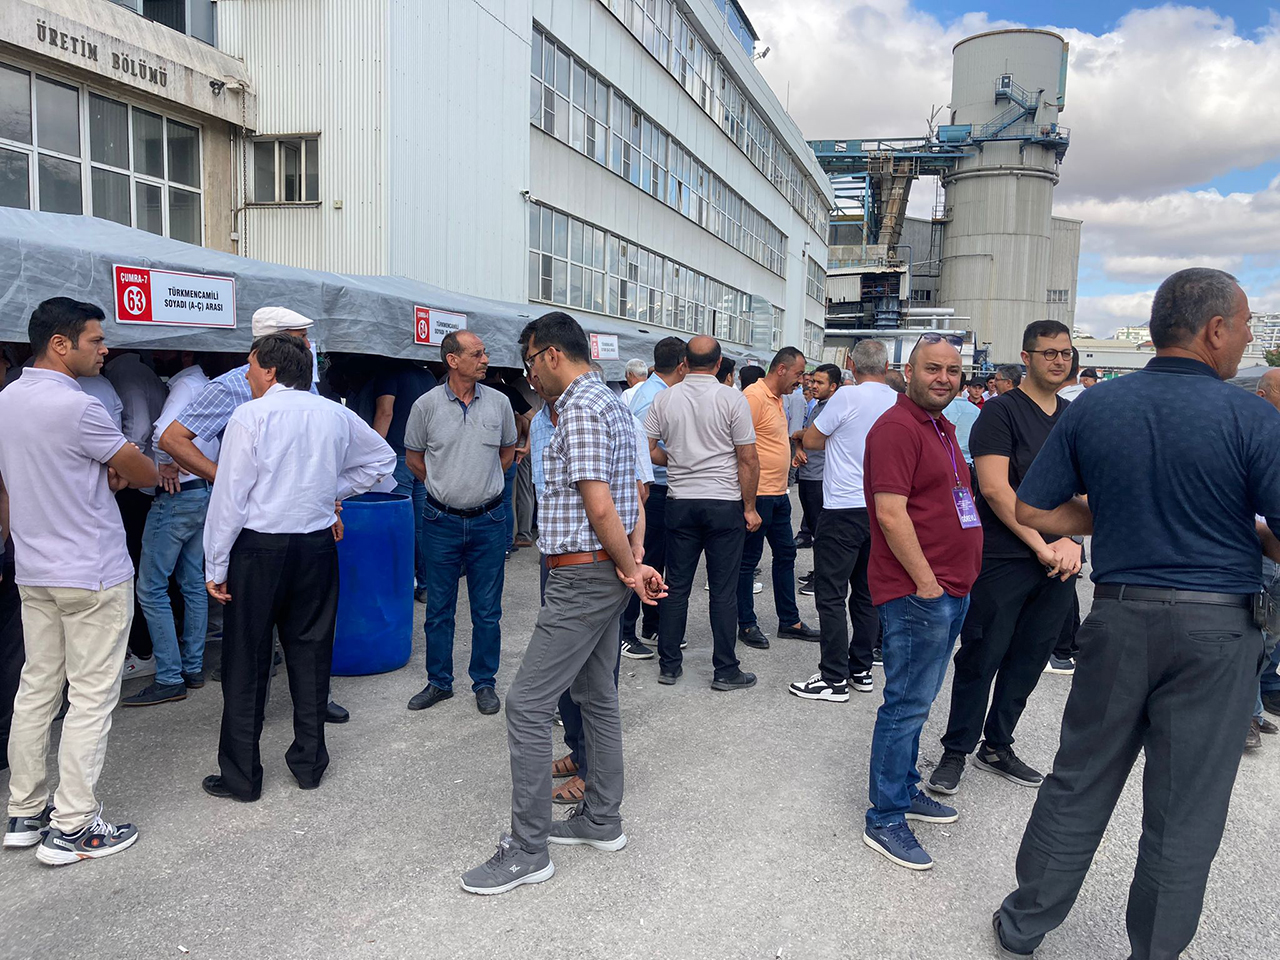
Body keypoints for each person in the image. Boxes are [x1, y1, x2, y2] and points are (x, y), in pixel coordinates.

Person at [993, 268, 1280, 960]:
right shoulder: (1252, 417)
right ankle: (1154, 949)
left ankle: (1025, 923)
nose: (1248, 339)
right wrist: (1249, 534)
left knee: (1080, 778)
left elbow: (1033, 509)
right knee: (1186, 807)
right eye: (1245, 325)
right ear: (1215, 329)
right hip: (1219, 629)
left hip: (1120, 617)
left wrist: (1116, 515)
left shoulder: (1095, 406)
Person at [461, 312, 665, 895]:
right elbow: (636, 496)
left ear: (551, 354)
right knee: (596, 695)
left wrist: (630, 567)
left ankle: (528, 849)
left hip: (583, 575)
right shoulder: (616, 405)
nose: (529, 376)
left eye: (529, 363)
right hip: (601, 569)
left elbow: (600, 505)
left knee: (526, 705)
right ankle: (601, 818)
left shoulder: (579, 408)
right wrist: (634, 560)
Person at [201, 334, 394, 803]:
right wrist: (331, 491)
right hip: (315, 546)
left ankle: (242, 777)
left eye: (250, 366)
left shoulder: (250, 415)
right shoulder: (333, 413)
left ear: (269, 370)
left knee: (246, 660)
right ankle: (309, 764)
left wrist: (216, 563)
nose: (247, 374)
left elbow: (230, 498)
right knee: (311, 653)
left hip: (258, 548)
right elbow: (382, 460)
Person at [0, 298, 159, 864]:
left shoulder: (7, 400)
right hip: (91, 571)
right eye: (95, 340)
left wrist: (103, 469)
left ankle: (25, 811)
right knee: (90, 697)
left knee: (36, 689)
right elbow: (144, 469)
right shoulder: (78, 406)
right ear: (60, 344)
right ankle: (73, 826)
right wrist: (115, 468)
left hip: (35, 568)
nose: (104, 349)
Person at [157, 307, 350, 724]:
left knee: (309, 629)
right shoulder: (232, 386)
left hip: (308, 524)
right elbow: (172, 438)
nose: (309, 346)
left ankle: (315, 704)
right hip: (253, 528)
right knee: (253, 632)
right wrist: (225, 477)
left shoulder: (308, 385)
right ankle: (250, 718)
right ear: (272, 345)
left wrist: (329, 503)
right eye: (301, 337)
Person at [927, 321, 1080, 796]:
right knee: (983, 654)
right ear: (1027, 357)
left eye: (1065, 353)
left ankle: (997, 745)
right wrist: (1041, 544)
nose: (1059, 360)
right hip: (1005, 556)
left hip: (1060, 562)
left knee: (1030, 658)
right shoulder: (1000, 412)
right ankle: (956, 750)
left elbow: (1085, 487)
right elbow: (995, 489)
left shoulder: (1073, 416)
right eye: (1049, 352)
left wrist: (1071, 541)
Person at [861, 333, 982, 871]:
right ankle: (885, 816)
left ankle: (905, 788)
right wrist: (927, 583)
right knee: (906, 703)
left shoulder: (940, 425)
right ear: (907, 372)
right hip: (919, 593)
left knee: (920, 698)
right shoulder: (897, 428)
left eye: (952, 370)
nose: (944, 378)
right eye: (933, 368)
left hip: (951, 587)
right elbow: (891, 514)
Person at [404, 331, 517, 715]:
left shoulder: (499, 403)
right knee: (439, 608)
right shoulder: (426, 406)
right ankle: (439, 681)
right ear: (453, 360)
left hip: (489, 521)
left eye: (484, 353)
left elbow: (507, 453)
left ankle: (484, 682)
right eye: (477, 354)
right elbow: (414, 459)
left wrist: (479, 485)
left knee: (487, 610)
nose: (485, 360)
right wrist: (444, 486)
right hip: (440, 521)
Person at [645, 335, 761, 689]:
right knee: (723, 590)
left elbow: (647, 448)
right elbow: (748, 458)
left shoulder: (665, 398)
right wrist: (750, 507)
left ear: (685, 361)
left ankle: (669, 665)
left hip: (680, 501)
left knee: (677, 585)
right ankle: (725, 670)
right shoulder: (731, 398)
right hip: (723, 502)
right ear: (718, 362)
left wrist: (676, 460)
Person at [790, 341, 899, 702]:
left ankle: (833, 677)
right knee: (867, 594)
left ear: (851, 363)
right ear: (887, 365)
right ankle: (861, 669)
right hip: (881, 508)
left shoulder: (847, 397)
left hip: (842, 508)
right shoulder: (898, 401)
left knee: (832, 594)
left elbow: (814, 440)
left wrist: (803, 436)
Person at [122, 352, 218, 707]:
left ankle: (168, 677)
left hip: (176, 496)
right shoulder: (208, 386)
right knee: (193, 582)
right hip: (201, 493)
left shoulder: (185, 385)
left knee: (150, 588)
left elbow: (163, 432)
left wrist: (164, 463)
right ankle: (191, 668)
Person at [736, 347, 820, 649]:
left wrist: (791, 453)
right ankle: (746, 624)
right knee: (748, 562)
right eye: (799, 374)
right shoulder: (753, 397)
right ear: (781, 369)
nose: (802, 381)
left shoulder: (779, 398)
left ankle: (790, 621)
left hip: (779, 493)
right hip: (758, 495)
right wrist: (748, 504)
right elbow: (739, 447)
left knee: (786, 555)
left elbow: (770, 439)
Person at [619, 337, 687, 659]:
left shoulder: (656, 391)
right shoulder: (654, 397)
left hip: (657, 487)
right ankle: (626, 632)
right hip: (652, 489)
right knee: (643, 560)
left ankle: (652, 624)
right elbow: (645, 449)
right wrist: (682, 459)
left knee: (656, 561)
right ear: (683, 365)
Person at [369, 359, 438, 601]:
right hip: (425, 456)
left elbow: (385, 412)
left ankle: (400, 585)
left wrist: (372, 454)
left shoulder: (389, 374)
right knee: (422, 525)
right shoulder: (428, 377)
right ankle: (427, 585)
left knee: (399, 524)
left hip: (397, 457)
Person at [484, 368, 533, 556]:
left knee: (483, 504)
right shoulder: (509, 392)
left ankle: (488, 547)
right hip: (508, 455)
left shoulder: (472, 390)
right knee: (505, 502)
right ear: (499, 374)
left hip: (481, 458)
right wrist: (527, 445)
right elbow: (534, 417)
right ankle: (505, 546)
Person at [794, 363, 841, 552]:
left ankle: (824, 568)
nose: (813, 386)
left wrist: (800, 434)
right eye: (813, 381)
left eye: (819, 383)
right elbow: (805, 434)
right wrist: (799, 447)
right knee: (814, 526)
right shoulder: (817, 406)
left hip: (820, 477)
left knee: (822, 531)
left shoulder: (833, 408)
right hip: (807, 472)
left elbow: (815, 435)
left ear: (833, 386)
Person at [943, 376, 982, 469]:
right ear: (965, 387)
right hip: (968, 461)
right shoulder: (976, 411)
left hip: (946, 459)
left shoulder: (941, 409)